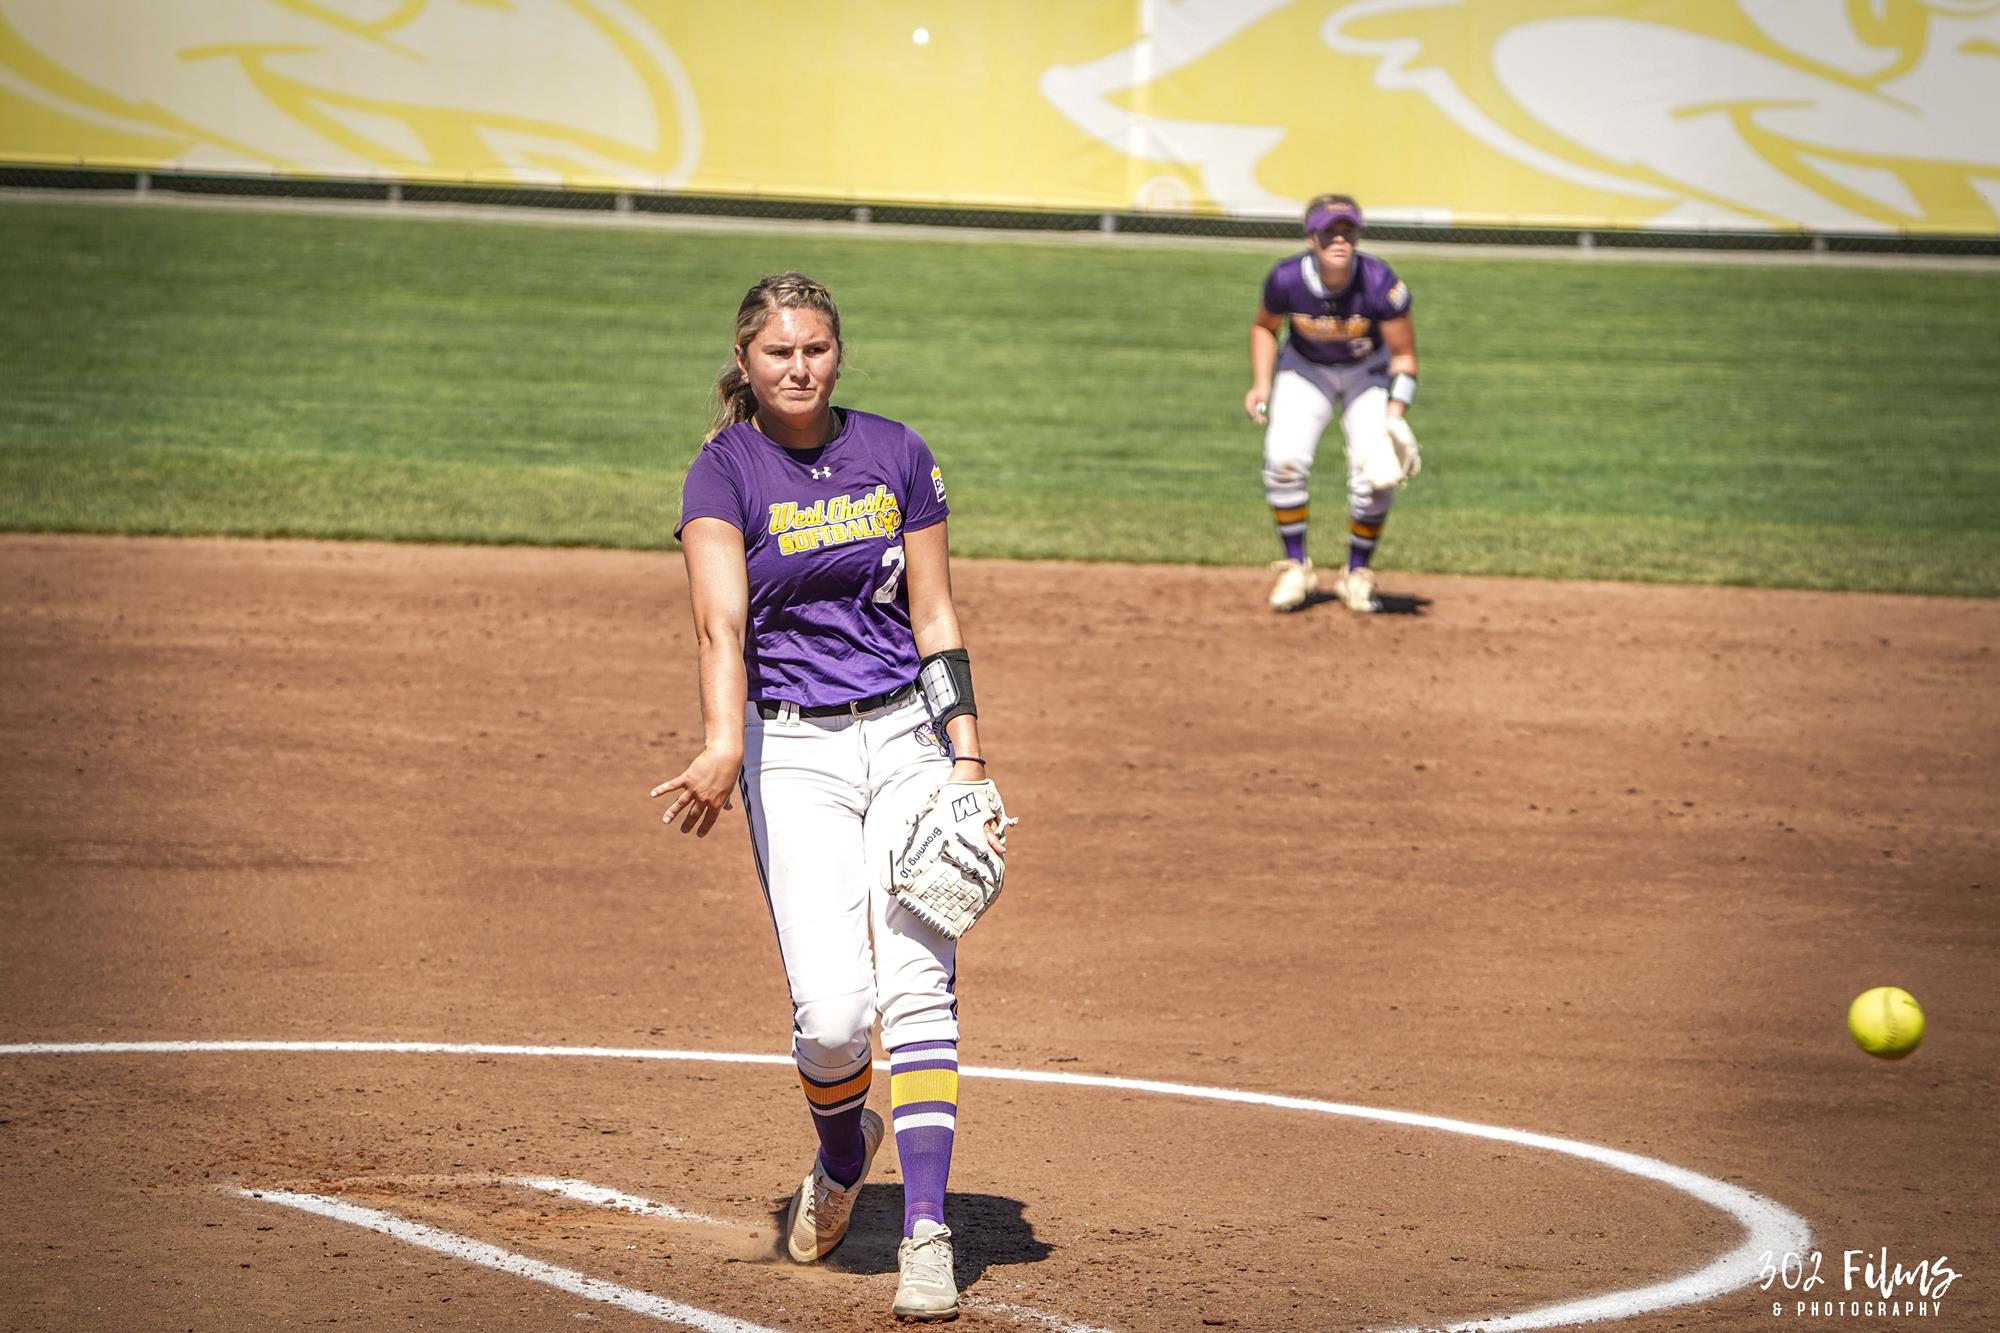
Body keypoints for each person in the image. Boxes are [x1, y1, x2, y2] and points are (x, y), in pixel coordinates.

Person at [651, 271, 1009, 1323]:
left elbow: (935, 615)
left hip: (904, 737)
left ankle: (927, 1234)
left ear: (836, 353)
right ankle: (843, 1145)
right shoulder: (722, 473)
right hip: (792, 752)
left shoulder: (896, 453)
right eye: (778, 353)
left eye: (814, 349)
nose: (798, 367)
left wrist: (968, 756)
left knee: (916, 988)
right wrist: (724, 742)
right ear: (746, 362)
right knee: (834, 1016)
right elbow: (720, 623)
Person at [1243, 194, 1421, 613]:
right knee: (1283, 457)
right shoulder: (1286, 279)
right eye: (1329, 232)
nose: (1340, 240)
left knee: (1376, 475)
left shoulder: (1380, 283)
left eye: (1348, 232)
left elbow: (1404, 357)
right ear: (1311, 238)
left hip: (1366, 373)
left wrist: (1395, 415)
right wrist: (1261, 384)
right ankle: (1295, 567)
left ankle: (1356, 574)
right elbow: (1264, 328)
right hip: (1306, 368)